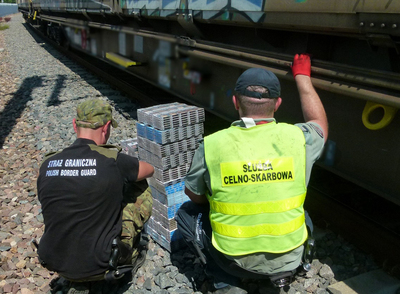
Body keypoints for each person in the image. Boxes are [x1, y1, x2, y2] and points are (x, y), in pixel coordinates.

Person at [176, 54, 328, 290]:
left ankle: (224, 280)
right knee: (302, 213)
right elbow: (319, 122)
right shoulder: (299, 139)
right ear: (277, 104)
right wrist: (302, 77)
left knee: (186, 213)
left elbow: (193, 195)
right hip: (288, 259)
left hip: (232, 260)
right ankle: (284, 271)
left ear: (236, 102)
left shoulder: (212, 144)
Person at [36, 99, 154, 292]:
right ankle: (128, 253)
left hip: (54, 261)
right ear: (106, 127)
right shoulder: (113, 161)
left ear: (75, 125)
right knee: (139, 183)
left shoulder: (47, 163)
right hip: (102, 265)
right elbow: (149, 170)